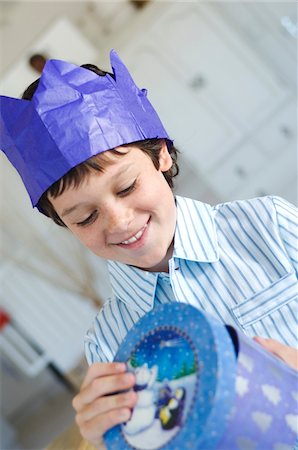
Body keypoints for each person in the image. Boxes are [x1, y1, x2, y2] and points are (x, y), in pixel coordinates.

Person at [1, 50, 297, 449]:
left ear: (161, 154)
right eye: (85, 218)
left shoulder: (270, 226)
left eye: (126, 188)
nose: (119, 221)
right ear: (65, 225)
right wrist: (103, 442)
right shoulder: (110, 346)